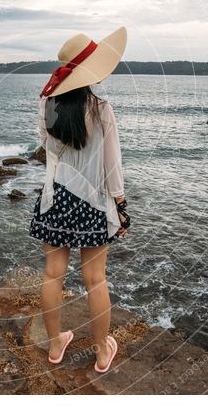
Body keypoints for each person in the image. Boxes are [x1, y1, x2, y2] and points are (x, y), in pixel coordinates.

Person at [28, 26, 131, 374]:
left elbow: (45, 146)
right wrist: (120, 205)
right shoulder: (101, 109)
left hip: (55, 197)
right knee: (95, 280)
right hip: (91, 203)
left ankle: (56, 344)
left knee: (53, 275)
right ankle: (102, 351)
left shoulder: (46, 103)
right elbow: (112, 165)